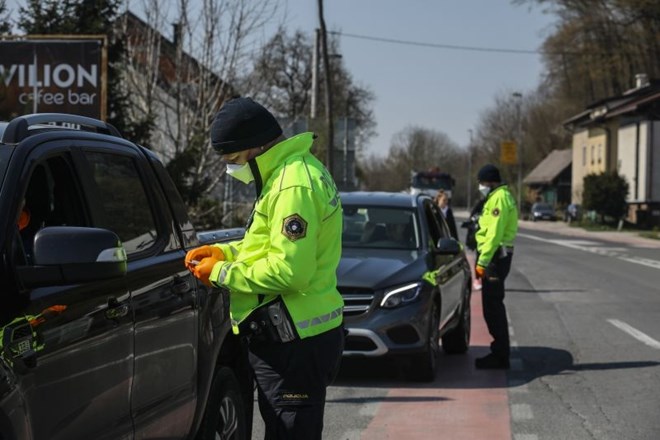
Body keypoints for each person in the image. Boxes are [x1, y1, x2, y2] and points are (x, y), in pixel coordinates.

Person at [184, 97, 345, 439]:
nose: (231, 168)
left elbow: (290, 271)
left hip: (294, 341)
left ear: (255, 147)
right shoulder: (290, 173)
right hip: (299, 336)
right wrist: (223, 251)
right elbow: (268, 247)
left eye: (233, 159)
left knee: (290, 431)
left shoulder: (291, 186)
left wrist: (220, 274)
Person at [474, 164, 518, 370]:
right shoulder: (500, 196)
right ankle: (500, 352)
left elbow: (494, 234)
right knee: (493, 305)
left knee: (492, 307)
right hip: (497, 256)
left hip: (494, 258)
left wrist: (482, 262)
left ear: (490, 182)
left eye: (482, 183)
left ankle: (500, 355)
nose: (480, 186)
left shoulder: (498, 199)